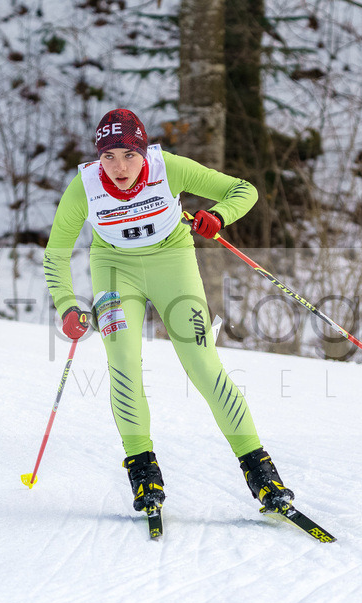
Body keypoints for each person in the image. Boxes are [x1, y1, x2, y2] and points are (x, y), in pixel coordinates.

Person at [42, 108, 294, 515]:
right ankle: (143, 472)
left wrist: (219, 217)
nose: (119, 167)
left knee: (203, 364)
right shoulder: (83, 188)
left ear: (143, 152)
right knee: (123, 363)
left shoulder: (168, 168)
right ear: (97, 158)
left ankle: (262, 473)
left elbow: (244, 190)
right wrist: (67, 304)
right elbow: (55, 254)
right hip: (113, 269)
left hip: (172, 262)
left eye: (128, 155)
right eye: (108, 157)